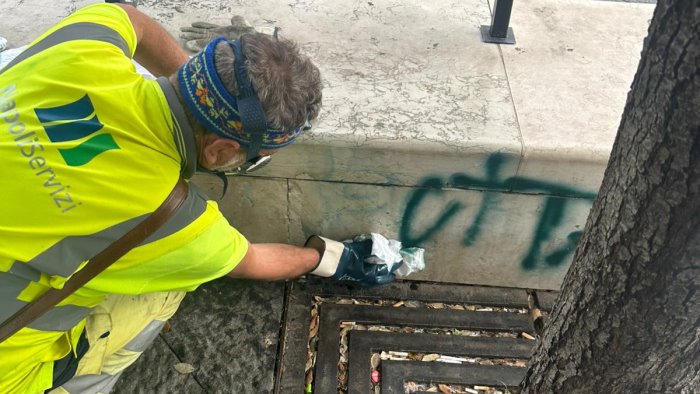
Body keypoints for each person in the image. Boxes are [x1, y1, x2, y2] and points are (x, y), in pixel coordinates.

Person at [0, 3, 401, 393]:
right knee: (166, 288)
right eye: (258, 157)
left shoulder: (82, 48)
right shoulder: (168, 218)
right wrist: (332, 258)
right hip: (10, 369)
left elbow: (132, 21)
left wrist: (200, 92)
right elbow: (250, 260)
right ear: (221, 152)